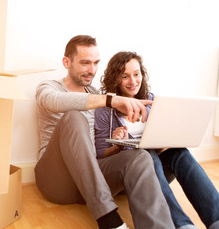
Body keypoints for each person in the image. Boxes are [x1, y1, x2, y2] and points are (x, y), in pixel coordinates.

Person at [35, 35, 175, 229]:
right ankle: (109, 221)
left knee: (140, 156)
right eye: (85, 63)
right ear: (67, 62)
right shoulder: (48, 87)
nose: (92, 70)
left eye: (95, 63)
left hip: (91, 180)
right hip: (57, 181)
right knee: (74, 117)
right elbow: (53, 101)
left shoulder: (96, 94)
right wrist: (110, 100)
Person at [95, 51, 219, 229]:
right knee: (147, 155)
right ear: (114, 78)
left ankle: (218, 220)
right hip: (131, 176)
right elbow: (100, 153)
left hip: (157, 169)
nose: (133, 81)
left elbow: (165, 139)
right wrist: (117, 145)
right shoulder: (105, 111)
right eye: (125, 76)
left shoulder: (152, 100)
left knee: (180, 153)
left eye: (136, 74)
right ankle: (182, 225)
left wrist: (168, 140)